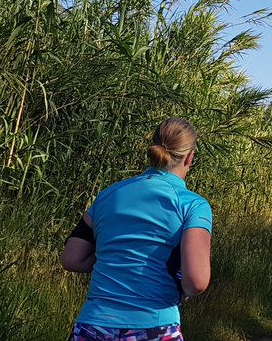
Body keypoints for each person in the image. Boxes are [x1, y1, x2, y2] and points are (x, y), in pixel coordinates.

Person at [61, 117, 212, 341]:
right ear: (190, 157)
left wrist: (116, 256)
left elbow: (72, 258)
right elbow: (196, 281)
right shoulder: (192, 205)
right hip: (154, 326)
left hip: (93, 326)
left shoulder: (109, 195)